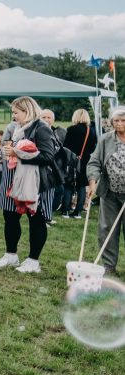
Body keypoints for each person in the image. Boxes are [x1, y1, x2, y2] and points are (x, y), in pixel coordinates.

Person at [0, 96, 60, 274]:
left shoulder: (41, 128)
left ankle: (33, 260)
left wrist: (17, 152)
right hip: (12, 179)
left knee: (36, 219)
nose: (13, 116)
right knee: (10, 216)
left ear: (27, 111)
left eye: (16, 112)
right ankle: (11, 255)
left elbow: (48, 156)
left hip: (35, 182)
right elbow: (11, 150)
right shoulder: (15, 128)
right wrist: (5, 153)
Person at [86, 107, 125, 273]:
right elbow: (94, 162)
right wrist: (93, 181)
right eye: (116, 120)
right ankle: (109, 266)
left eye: (123, 120)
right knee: (106, 229)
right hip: (109, 192)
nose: (119, 124)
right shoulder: (105, 140)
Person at [62, 109, 97, 219]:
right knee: (81, 186)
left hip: (72, 160)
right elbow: (92, 148)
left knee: (68, 185)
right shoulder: (91, 131)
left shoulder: (71, 129)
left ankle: (66, 211)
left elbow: (66, 147)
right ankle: (77, 212)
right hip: (85, 161)